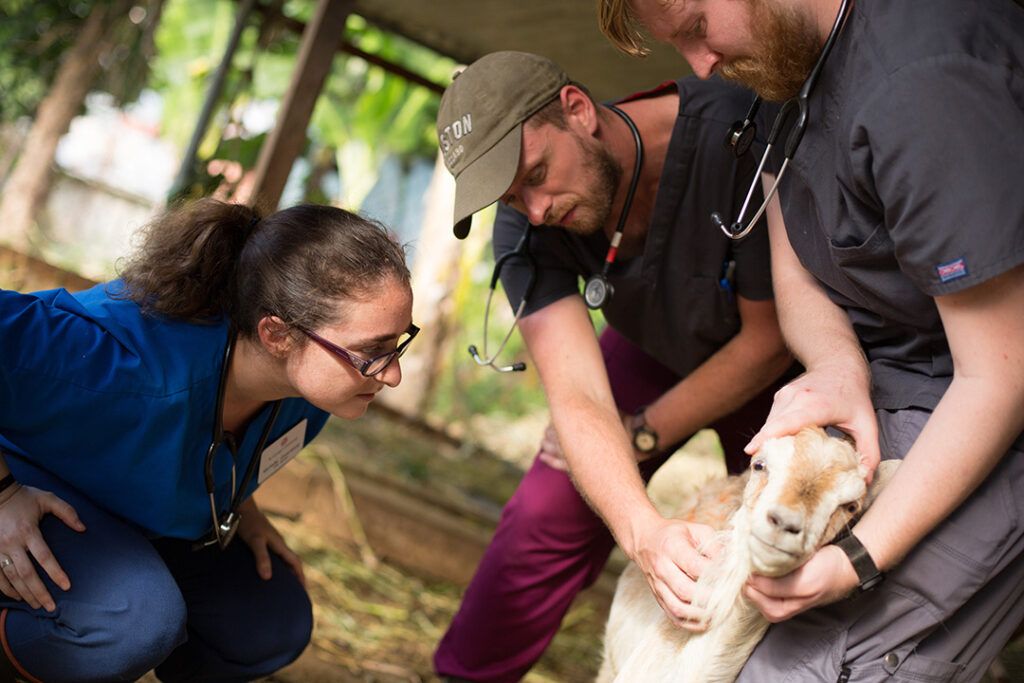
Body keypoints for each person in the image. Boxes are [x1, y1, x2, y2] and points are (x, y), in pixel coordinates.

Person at [597, 0, 1024, 680]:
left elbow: (1000, 378)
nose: (701, 68)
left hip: (987, 400)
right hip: (886, 380)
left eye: (698, 29)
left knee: (788, 665)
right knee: (711, 631)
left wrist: (857, 558)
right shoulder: (783, 70)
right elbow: (795, 270)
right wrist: (835, 365)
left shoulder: (924, 84)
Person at [432, 50, 795, 682]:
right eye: (513, 197)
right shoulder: (526, 229)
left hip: (779, 371)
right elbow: (577, 398)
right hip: (653, 346)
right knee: (549, 506)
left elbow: (770, 340)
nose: (537, 209)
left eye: (537, 173)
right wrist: (643, 533)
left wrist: (644, 432)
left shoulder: (739, 136)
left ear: (577, 111)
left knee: (781, 543)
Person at [0, 199, 416, 682]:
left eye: (399, 343)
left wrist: (243, 506)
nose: (393, 375)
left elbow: (200, 446)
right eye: (372, 352)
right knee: (133, 619)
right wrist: (4, 494)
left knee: (270, 620)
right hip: (29, 489)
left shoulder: (307, 395)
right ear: (277, 335)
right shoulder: (125, 362)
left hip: (122, 515)